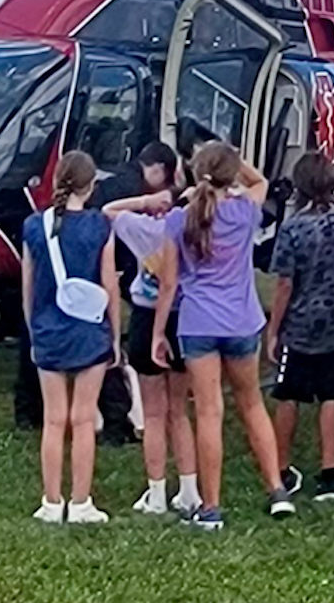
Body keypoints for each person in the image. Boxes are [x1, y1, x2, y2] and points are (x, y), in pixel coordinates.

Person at [130, 143, 296, 529]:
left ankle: (211, 507)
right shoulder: (244, 211)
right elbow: (260, 180)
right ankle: (276, 489)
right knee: (252, 404)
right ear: (230, 174)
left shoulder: (179, 220)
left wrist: (157, 333)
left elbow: (169, 283)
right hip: (242, 320)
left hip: (198, 323)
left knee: (208, 413)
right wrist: (233, 160)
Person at [265, 154, 334, 503]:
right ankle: (331, 470)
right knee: (332, 394)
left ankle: (281, 466)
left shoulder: (293, 227)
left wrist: (273, 330)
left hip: (299, 322)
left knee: (288, 394)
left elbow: (284, 283)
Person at [24, 152, 121, 526]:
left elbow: (28, 289)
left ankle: (51, 501)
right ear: (91, 185)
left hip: (48, 328)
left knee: (53, 420)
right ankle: (81, 502)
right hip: (88, 332)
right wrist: (113, 334)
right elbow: (108, 282)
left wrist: (34, 331)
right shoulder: (100, 226)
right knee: (83, 420)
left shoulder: (34, 226)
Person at [102, 158, 201, 518]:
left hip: (147, 318)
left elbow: (109, 210)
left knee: (154, 412)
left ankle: (157, 491)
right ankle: (189, 489)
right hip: (185, 317)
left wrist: (145, 202)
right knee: (181, 410)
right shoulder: (194, 227)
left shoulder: (144, 228)